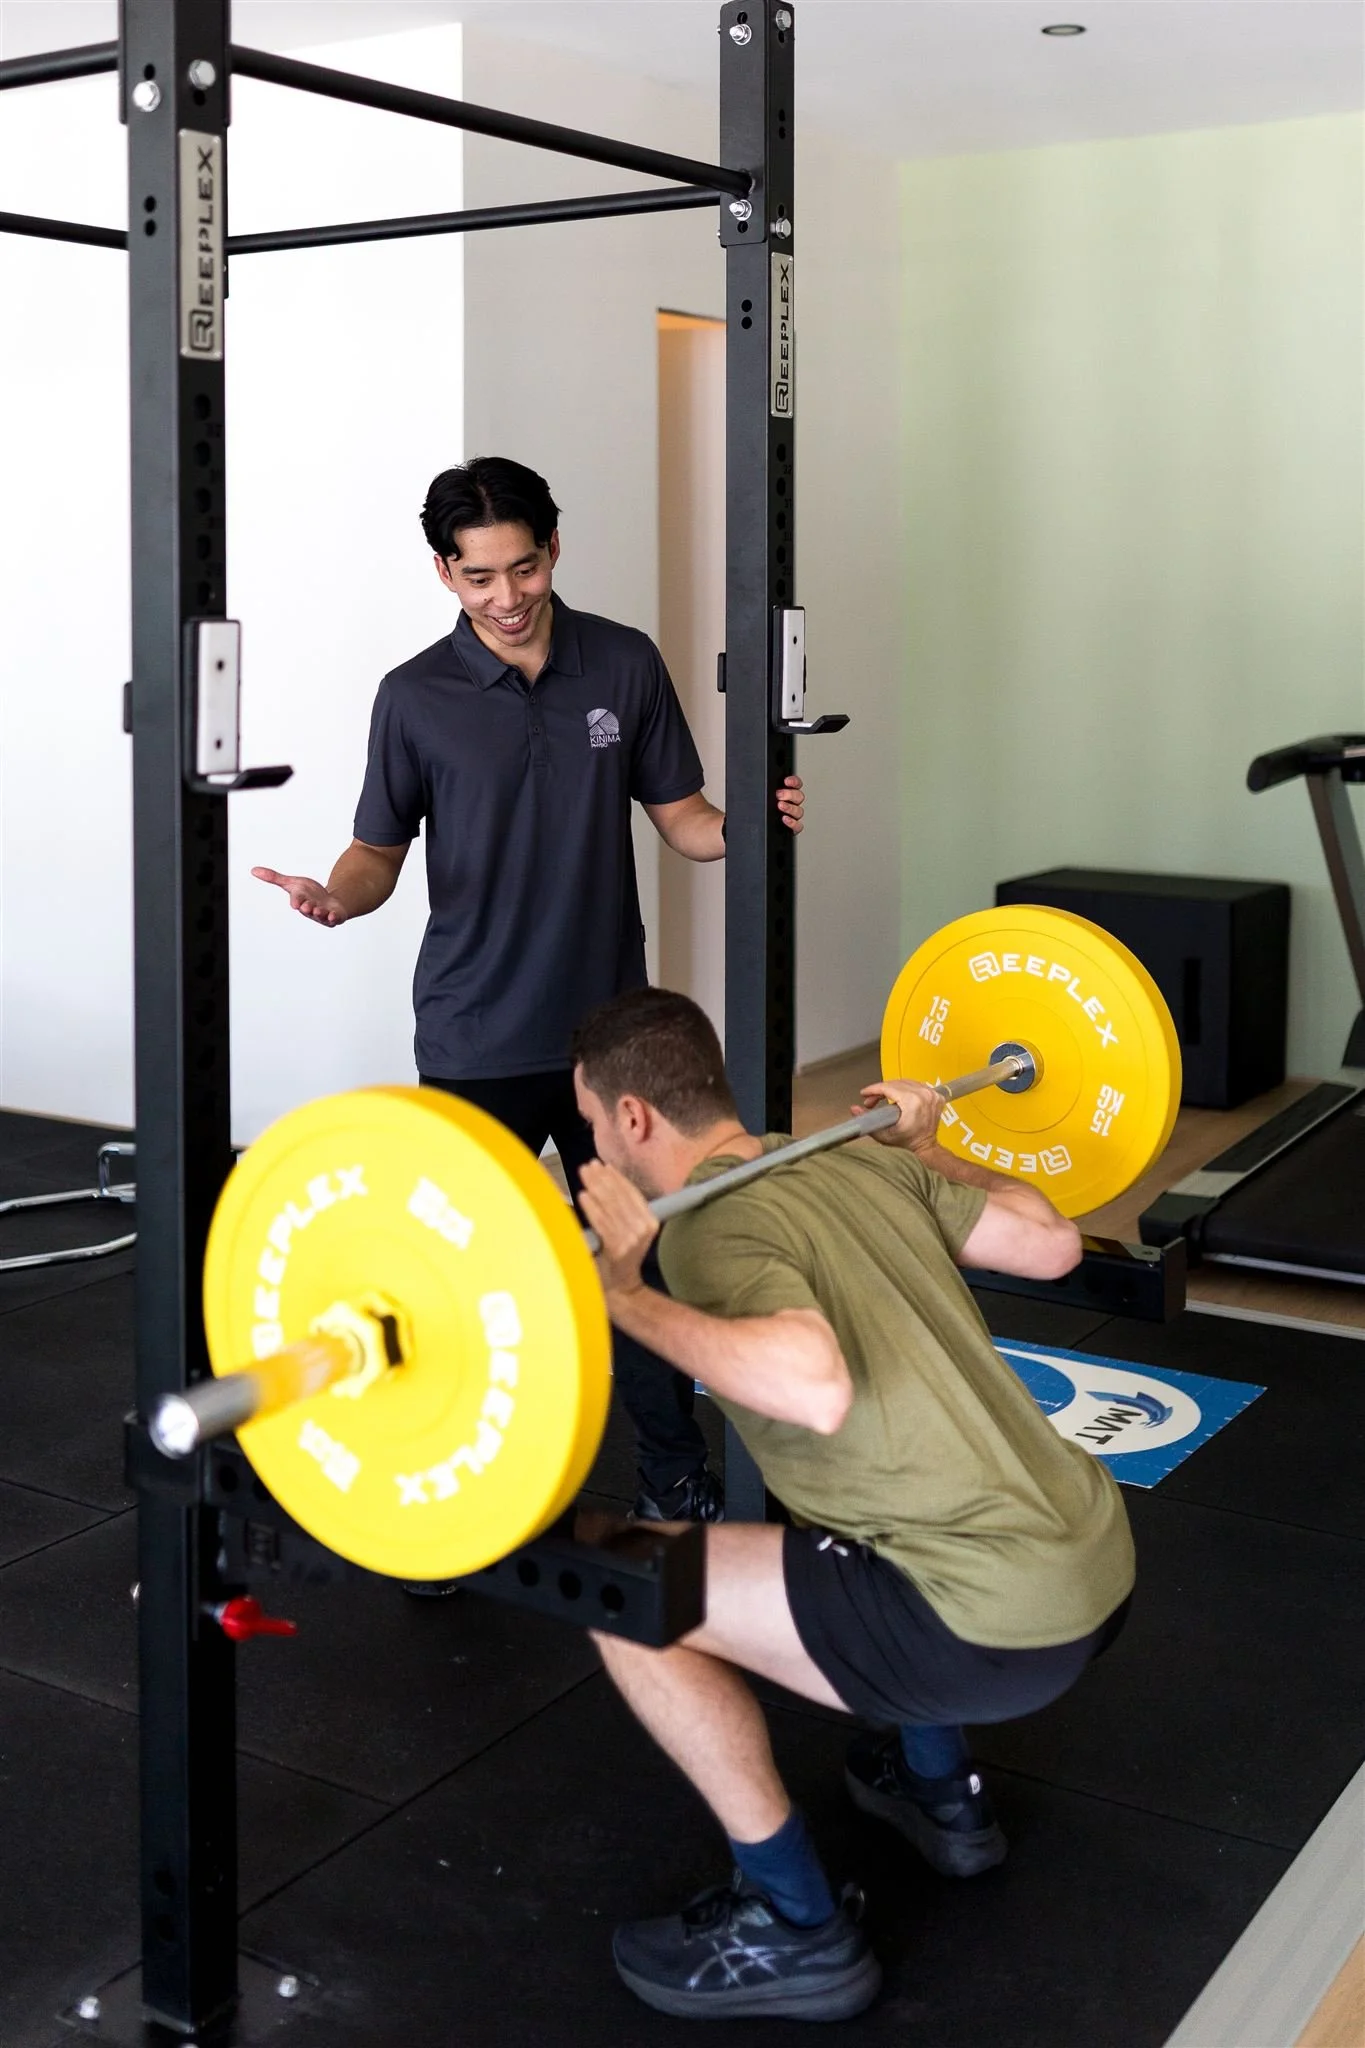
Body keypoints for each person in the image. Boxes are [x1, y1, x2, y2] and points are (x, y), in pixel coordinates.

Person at [252, 457, 804, 1528]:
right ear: (444, 573)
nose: (505, 596)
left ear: (553, 549)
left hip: (610, 1041)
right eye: (478, 577)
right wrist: (336, 897)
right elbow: (376, 852)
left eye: (523, 568)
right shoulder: (413, 695)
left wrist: (748, 827)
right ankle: (454, 1493)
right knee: (461, 1276)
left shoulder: (623, 662)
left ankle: (672, 1471)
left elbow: (684, 819)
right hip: (476, 1030)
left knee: (643, 1258)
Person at [571, 987, 1136, 2023]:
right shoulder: (856, 1157)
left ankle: (792, 1921)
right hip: (1096, 1558)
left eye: (592, 1123)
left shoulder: (709, 1228)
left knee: (616, 1575)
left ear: (634, 1117)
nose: (594, 1146)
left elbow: (815, 1386)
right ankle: (939, 1789)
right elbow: (1053, 1244)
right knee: (864, 1512)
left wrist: (624, 1295)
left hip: (992, 1625)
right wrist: (933, 1147)